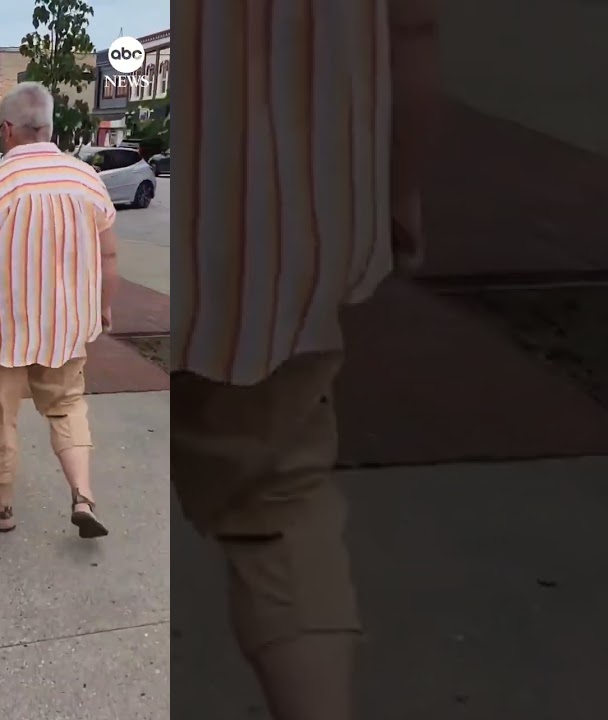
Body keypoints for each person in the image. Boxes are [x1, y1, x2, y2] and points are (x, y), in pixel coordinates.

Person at [171, 1, 439, 719]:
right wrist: (400, 189)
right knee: (279, 498)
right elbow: (411, 29)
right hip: (278, 222)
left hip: (174, 226)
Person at [0, 82, 120, 539]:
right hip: (68, 328)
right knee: (67, 406)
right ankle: (82, 494)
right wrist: (104, 307)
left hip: (7, 332)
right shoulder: (86, 179)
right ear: (50, 126)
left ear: (6, 129)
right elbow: (108, 256)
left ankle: (1, 507)